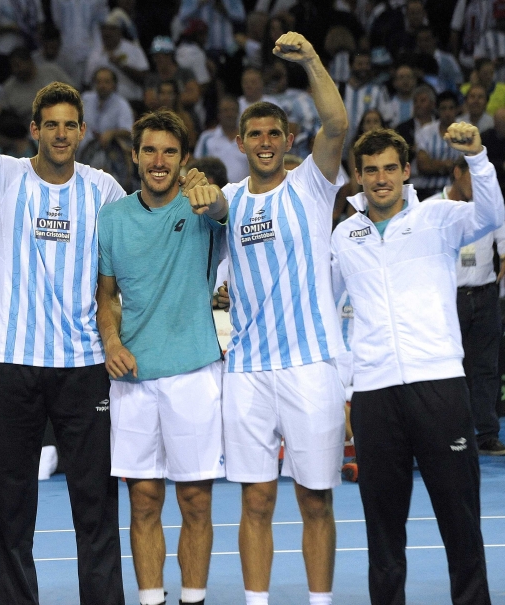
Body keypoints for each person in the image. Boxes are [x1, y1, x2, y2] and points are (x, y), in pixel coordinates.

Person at [0, 24, 126, 605]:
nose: (58, 133)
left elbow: (129, 262)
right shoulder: (3, 177)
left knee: (96, 503)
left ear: (82, 132)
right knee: (11, 504)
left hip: (83, 365)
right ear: (34, 131)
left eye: (68, 125)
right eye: (48, 124)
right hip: (12, 362)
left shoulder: (104, 190)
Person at [186, 32, 349, 605]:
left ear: (289, 140)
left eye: (273, 134)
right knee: (255, 500)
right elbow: (213, 205)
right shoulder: (231, 197)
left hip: (310, 367)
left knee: (314, 500)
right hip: (249, 372)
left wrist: (309, 61)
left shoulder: (311, 184)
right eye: (253, 134)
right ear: (239, 141)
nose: (263, 142)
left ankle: (319, 602)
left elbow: (337, 124)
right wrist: (199, 190)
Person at [331, 124, 500, 605]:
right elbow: (326, 307)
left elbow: (492, 214)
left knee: (459, 519)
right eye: (370, 170)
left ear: (406, 172)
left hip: (439, 387)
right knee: (383, 528)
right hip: (374, 394)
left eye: (390, 168)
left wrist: (478, 158)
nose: (380, 178)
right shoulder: (345, 235)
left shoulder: (441, 218)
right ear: (358, 176)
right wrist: (347, 383)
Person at [97, 109, 227, 605]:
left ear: (184, 160)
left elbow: (223, 211)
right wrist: (111, 341)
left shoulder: (203, 207)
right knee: (143, 500)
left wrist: (210, 192)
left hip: (193, 373)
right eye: (149, 150)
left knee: (195, 500)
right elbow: (105, 295)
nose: (158, 160)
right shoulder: (112, 219)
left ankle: (192, 600)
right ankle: (152, 601)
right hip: (131, 378)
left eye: (170, 152)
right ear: (134, 157)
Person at [423, 156, 505, 455]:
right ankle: (451, 435)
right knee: (447, 370)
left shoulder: (488, 206)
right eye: (473, 177)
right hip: (448, 298)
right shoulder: (430, 208)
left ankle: (486, 435)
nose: (478, 185)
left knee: (485, 369)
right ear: (457, 172)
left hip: (485, 294)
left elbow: (501, 228)